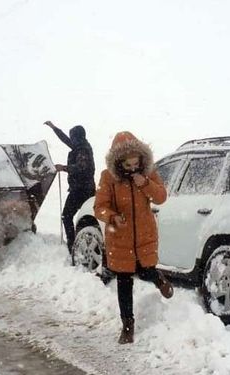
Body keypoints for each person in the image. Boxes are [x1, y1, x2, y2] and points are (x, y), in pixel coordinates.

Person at [93, 131, 174, 344]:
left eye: (135, 163)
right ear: (118, 163)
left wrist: (144, 182)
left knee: (146, 270)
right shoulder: (107, 177)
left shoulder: (149, 173)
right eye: (127, 166)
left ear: (141, 159)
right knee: (124, 281)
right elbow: (99, 207)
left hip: (144, 234)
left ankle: (158, 279)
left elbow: (161, 197)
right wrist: (112, 217)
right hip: (120, 239)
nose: (132, 168)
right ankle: (127, 326)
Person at [44, 121, 96, 253]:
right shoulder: (79, 145)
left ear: (77, 137)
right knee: (85, 217)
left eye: (72, 136)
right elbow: (65, 139)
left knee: (67, 216)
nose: (71, 139)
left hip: (81, 190)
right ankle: (82, 243)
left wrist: (64, 167)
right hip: (84, 189)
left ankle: (73, 246)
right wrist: (54, 128)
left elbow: (81, 167)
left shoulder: (82, 149)